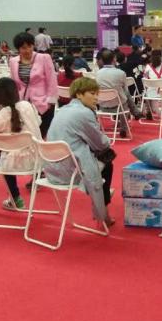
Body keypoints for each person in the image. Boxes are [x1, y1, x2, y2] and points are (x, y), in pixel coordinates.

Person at [46, 77, 115, 226]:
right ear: (79, 94)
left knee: (102, 159)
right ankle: (103, 212)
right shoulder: (84, 113)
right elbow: (101, 143)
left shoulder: (62, 110)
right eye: (92, 93)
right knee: (108, 162)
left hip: (51, 168)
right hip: (70, 171)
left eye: (97, 94)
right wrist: (106, 141)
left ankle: (103, 205)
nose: (96, 98)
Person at [0, 78, 43, 210]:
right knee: (7, 151)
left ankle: (12, 196)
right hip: (38, 158)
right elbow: (38, 122)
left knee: (4, 152)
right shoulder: (28, 106)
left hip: (12, 163)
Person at [9, 31, 58, 137]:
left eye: (30, 46)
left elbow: (52, 81)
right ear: (18, 49)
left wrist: (50, 102)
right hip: (23, 104)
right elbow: (14, 83)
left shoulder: (44, 58)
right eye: (23, 48)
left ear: (33, 45)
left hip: (43, 104)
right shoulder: (13, 61)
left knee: (41, 136)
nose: (27, 50)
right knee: (26, 135)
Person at [96, 49, 142, 132]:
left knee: (122, 94)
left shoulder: (97, 74)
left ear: (102, 60)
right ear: (114, 59)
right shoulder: (120, 73)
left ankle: (136, 113)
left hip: (102, 105)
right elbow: (126, 91)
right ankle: (125, 126)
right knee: (125, 94)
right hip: (119, 106)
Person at [141, 49, 162, 118]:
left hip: (151, 93)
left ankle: (149, 110)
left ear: (151, 57)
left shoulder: (148, 67)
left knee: (145, 91)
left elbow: (144, 79)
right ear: (161, 57)